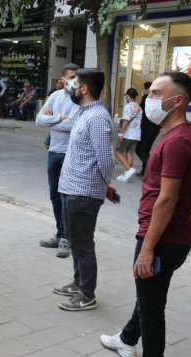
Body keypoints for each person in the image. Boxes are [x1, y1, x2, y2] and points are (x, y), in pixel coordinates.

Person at [101, 72, 191, 357]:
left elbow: (167, 199)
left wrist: (146, 249)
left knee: (151, 305)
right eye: (151, 93)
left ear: (178, 101)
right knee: (148, 293)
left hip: (161, 238)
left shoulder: (178, 141)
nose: (150, 99)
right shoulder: (177, 133)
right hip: (167, 235)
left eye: (158, 93)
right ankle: (126, 339)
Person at [52, 68, 116, 311]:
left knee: (83, 244)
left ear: (85, 89)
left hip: (84, 192)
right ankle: (79, 283)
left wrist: (104, 185)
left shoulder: (98, 117)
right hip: (72, 188)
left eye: (74, 84)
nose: (71, 88)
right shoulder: (83, 112)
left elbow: (105, 159)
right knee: (76, 242)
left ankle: (87, 294)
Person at [36, 63, 80, 258]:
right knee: (55, 195)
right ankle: (60, 232)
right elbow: (38, 120)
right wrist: (60, 118)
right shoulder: (54, 96)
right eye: (71, 77)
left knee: (67, 197)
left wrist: (53, 120)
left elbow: (73, 124)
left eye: (76, 77)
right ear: (62, 80)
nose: (74, 81)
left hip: (71, 152)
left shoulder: (79, 99)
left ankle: (66, 238)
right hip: (54, 152)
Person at [115, 88, 143, 182]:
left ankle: (129, 169)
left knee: (117, 151)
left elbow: (126, 120)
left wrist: (121, 133)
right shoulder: (139, 107)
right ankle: (126, 176)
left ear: (128, 96)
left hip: (128, 134)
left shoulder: (128, 106)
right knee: (129, 153)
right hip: (137, 135)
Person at [136, 81, 161, 177]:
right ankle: (145, 170)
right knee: (146, 149)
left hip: (147, 127)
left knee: (140, 149)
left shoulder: (147, 98)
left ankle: (150, 169)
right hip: (156, 127)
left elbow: (141, 111)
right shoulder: (159, 99)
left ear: (147, 89)